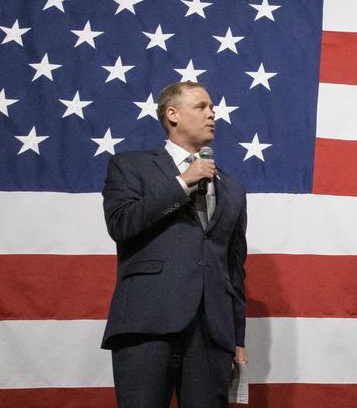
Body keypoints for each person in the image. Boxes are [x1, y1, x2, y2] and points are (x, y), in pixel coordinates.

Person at [101, 81, 248, 408]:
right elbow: (121, 224)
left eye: (212, 108)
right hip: (147, 323)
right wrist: (183, 183)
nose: (212, 114)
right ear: (173, 115)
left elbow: (234, 269)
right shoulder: (130, 166)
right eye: (201, 107)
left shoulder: (234, 189)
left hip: (212, 333)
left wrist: (237, 338)